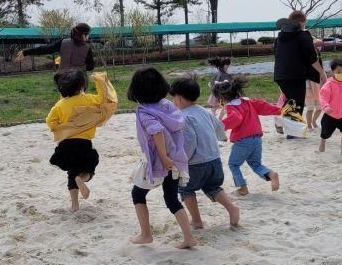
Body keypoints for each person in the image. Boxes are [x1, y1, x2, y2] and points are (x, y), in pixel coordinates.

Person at [127, 67, 197, 249]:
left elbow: (156, 131)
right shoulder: (167, 105)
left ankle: (145, 234)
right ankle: (189, 238)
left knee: (137, 194)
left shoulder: (144, 111)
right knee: (172, 199)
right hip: (176, 160)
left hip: (160, 160)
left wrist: (164, 157)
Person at [169, 77, 240, 229]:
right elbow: (218, 126)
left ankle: (196, 220)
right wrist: (222, 137)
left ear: (179, 98)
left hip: (195, 163)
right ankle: (232, 208)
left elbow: (189, 141)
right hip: (214, 159)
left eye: (173, 98)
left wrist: (182, 160)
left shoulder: (183, 117)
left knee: (185, 189)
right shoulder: (204, 111)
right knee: (212, 187)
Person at [46, 68, 117, 212]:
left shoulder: (60, 105)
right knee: (89, 167)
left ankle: (74, 205)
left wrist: (65, 128)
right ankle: (82, 179)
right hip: (84, 144)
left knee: (71, 173)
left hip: (65, 146)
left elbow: (50, 122)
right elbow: (103, 98)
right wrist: (99, 80)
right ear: (81, 85)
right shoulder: (89, 99)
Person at [213, 79, 281, 196]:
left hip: (243, 141)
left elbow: (236, 118)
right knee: (256, 164)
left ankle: (243, 188)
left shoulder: (230, 107)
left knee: (233, 164)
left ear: (222, 97)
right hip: (257, 139)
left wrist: (219, 127)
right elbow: (263, 106)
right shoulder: (248, 102)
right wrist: (279, 110)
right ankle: (271, 174)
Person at [274, 11, 327, 133]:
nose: (304, 26)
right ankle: (291, 131)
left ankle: (280, 121)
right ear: (300, 22)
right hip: (296, 75)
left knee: (290, 101)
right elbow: (312, 58)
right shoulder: (303, 36)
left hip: (280, 75)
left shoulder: (280, 37)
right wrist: (321, 72)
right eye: (304, 23)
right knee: (297, 103)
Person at [15, 23, 95, 71]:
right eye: (88, 34)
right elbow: (91, 67)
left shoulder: (63, 42)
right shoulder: (87, 48)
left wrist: (26, 52)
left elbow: (45, 49)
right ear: (83, 35)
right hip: (79, 81)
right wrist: (78, 68)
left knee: (65, 99)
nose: (88, 36)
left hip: (63, 80)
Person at [305, 39, 324, 131]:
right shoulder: (305, 61)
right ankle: (309, 125)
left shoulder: (319, 60)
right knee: (310, 108)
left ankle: (313, 121)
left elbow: (322, 74)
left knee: (320, 108)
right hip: (308, 87)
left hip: (318, 86)